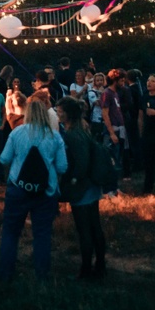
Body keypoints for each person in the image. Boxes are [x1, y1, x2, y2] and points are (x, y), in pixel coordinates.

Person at [0, 97, 68, 282]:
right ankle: (41, 275)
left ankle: (5, 274)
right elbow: (62, 167)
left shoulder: (17, 133)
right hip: (46, 191)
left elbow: (4, 159)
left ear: (27, 114)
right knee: (42, 234)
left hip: (18, 187)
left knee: (11, 232)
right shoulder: (54, 136)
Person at [56, 97, 106, 279]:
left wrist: (74, 180)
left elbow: (81, 161)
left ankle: (86, 270)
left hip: (83, 187)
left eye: (60, 111)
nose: (57, 113)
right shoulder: (82, 129)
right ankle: (100, 265)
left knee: (84, 228)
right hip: (91, 185)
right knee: (95, 227)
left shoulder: (72, 135)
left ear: (68, 114)